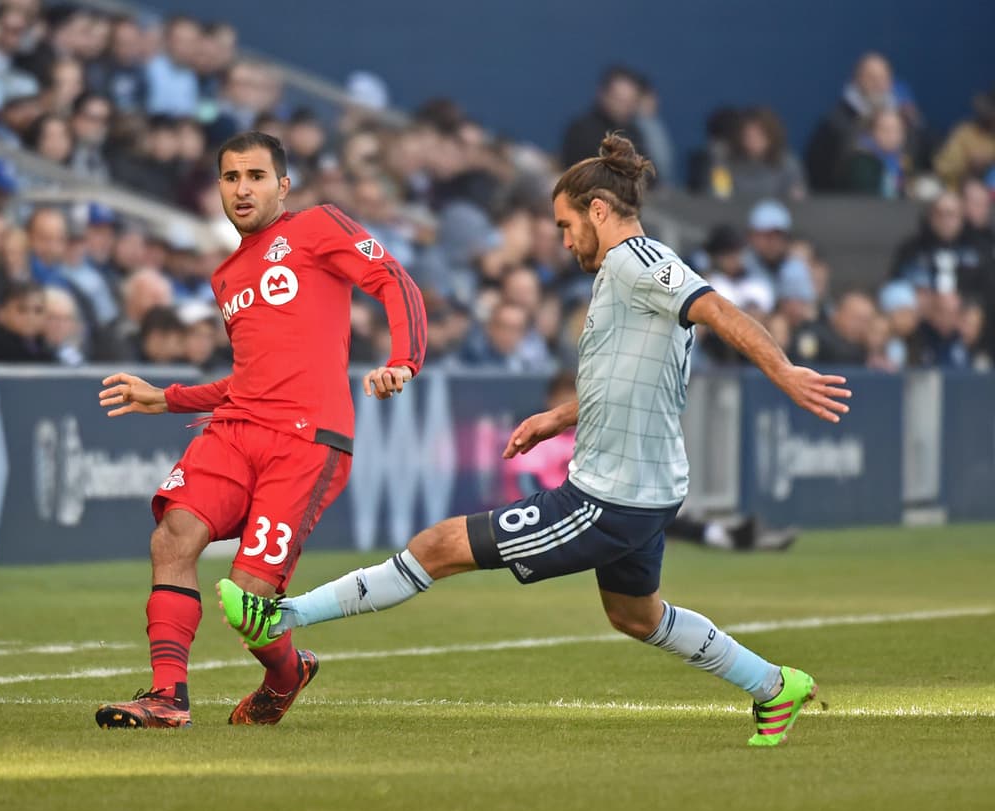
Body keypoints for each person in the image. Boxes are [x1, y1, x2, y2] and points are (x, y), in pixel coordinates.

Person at [218, 134, 851, 748]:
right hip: (643, 485)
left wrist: (785, 371)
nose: (563, 238)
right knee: (635, 615)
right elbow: (633, 377)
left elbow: (719, 310)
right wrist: (559, 417)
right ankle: (773, 686)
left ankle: (284, 616)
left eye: (565, 224)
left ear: (598, 211)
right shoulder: (619, 274)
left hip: (611, 495)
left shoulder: (640, 264)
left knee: (438, 546)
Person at [94, 131, 427, 730]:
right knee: (172, 538)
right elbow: (250, 379)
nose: (242, 189)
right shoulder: (226, 274)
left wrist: (404, 359)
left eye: (254, 176)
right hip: (237, 430)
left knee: (248, 601)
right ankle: (167, 698)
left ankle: (284, 673)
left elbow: (394, 281)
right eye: (230, 178)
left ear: (283, 185)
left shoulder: (319, 226)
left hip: (306, 441)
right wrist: (166, 398)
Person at [505, 372, 798, 551]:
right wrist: (544, 509)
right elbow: (524, 482)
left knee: (648, 508)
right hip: (558, 511)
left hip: (594, 505)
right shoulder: (539, 437)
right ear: (551, 398)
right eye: (565, 396)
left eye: (576, 395)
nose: (572, 403)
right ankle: (725, 536)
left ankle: (728, 535)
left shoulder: (586, 434)